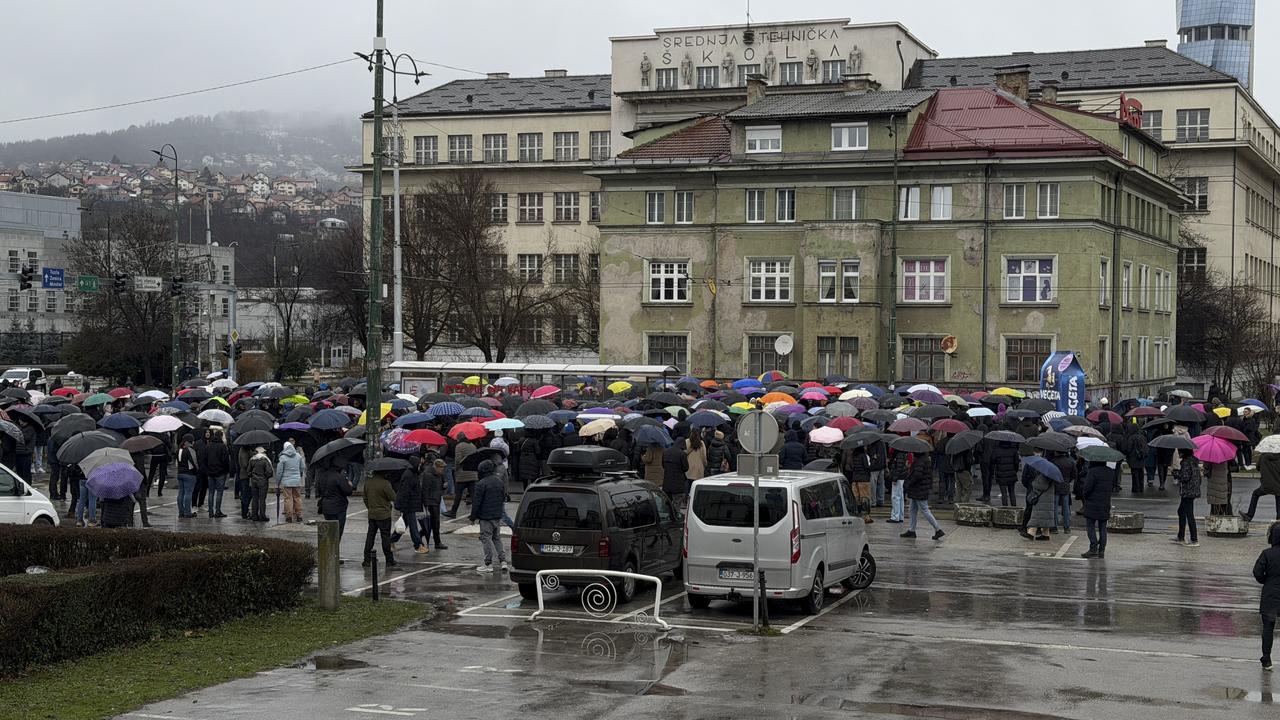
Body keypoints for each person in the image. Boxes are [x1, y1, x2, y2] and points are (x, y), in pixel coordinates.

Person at [470, 459, 508, 573]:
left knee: (486, 538)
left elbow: (476, 502)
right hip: (497, 515)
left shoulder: (481, 484)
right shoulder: (499, 481)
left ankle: (488, 563)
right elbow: (503, 497)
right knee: (497, 538)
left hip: (485, 517)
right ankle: (503, 561)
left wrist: (473, 517)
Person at [1253, 521, 1280, 670]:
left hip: (1270, 594)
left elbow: (1257, 572)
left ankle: (1267, 658)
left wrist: (1265, 580)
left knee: (1268, 626)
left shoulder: (1267, 554)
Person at [900, 450, 944, 541]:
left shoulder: (920, 461)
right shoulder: (924, 460)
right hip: (919, 489)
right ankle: (911, 530)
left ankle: (938, 529)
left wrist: (909, 483)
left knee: (924, 509)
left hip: (919, 489)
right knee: (912, 509)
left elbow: (917, 475)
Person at [361, 469, 398, 569]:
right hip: (384, 515)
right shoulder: (385, 483)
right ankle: (389, 560)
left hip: (372, 514)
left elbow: (365, 498)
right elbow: (393, 497)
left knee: (370, 536)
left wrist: (370, 507)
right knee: (385, 537)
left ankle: (366, 559)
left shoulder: (368, 482)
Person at [1080, 459, 1115, 558]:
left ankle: (1093, 548)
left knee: (1090, 525)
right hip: (1105, 502)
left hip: (1092, 502)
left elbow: (1087, 488)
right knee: (1103, 527)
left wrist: (1085, 496)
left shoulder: (1092, 472)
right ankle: (1102, 550)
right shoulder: (1110, 472)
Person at [396, 456, 427, 554]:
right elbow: (405, 492)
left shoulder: (413, 473)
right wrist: (402, 506)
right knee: (413, 527)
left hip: (410, 503)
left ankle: (391, 541)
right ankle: (417, 545)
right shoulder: (409, 475)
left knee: (404, 525)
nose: (420, 466)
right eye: (419, 464)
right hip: (409, 504)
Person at [316, 460, 354, 540]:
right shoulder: (339, 477)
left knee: (330, 530)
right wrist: (350, 484)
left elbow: (318, 490)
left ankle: (330, 548)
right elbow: (348, 491)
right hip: (338, 507)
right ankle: (335, 549)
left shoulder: (322, 476)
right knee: (338, 532)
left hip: (326, 507)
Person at [1173, 448, 1202, 546]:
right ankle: (1180, 535)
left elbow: (1185, 477)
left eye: (1180, 452)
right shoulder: (1194, 461)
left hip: (1187, 491)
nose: (1179, 454)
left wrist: (1176, 473)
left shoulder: (1185, 462)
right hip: (1193, 490)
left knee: (1189, 514)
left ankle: (1194, 539)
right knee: (1181, 511)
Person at [444, 438, 478, 519]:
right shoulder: (473, 446)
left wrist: (456, 469)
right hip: (473, 473)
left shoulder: (459, 446)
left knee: (458, 495)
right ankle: (475, 513)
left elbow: (458, 460)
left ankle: (453, 512)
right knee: (474, 496)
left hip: (462, 475)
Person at [1243, 451, 1280, 523]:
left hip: (1266, 485)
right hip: (1278, 485)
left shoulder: (1263, 456)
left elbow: (1258, 468)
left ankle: (1249, 515)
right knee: (1278, 500)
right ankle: (1278, 520)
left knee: (1255, 494)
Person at [202, 428, 231, 518]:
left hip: (210, 473)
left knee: (211, 492)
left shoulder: (208, 446)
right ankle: (217, 511)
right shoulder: (222, 447)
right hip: (220, 473)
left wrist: (207, 470)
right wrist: (226, 470)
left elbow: (204, 460)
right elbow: (225, 460)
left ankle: (211, 512)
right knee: (219, 492)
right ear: (221, 437)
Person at [419, 458, 447, 550]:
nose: (442, 470)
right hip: (431, 502)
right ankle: (437, 542)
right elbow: (425, 490)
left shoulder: (440, 475)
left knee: (434, 523)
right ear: (436, 467)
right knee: (434, 523)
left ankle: (421, 537)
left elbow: (441, 487)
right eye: (441, 468)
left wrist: (444, 487)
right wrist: (426, 503)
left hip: (436, 500)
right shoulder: (428, 475)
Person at [1023, 465, 1056, 541]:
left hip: (1042, 499)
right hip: (1048, 499)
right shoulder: (1051, 475)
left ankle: (1031, 533)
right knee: (1045, 517)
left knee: (1037, 516)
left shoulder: (1043, 476)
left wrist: (1034, 482)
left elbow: (1040, 486)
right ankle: (1045, 534)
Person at [276, 440, 306, 523]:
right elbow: (302, 467)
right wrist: (298, 476)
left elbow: (279, 471)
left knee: (288, 498)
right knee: (297, 498)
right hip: (297, 481)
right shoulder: (298, 456)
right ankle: (299, 515)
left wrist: (278, 482)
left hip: (286, 482)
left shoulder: (282, 457)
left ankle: (289, 516)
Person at [245, 446, 273, 523]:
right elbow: (269, 472)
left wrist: (253, 475)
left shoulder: (252, 460)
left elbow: (248, 472)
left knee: (255, 499)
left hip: (254, 482)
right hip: (263, 482)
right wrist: (265, 477)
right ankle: (262, 516)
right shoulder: (265, 460)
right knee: (262, 500)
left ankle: (254, 516)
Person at [990, 440, 1020, 507]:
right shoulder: (1014, 450)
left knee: (1004, 493)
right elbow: (1017, 462)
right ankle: (1014, 507)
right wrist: (1015, 470)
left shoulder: (997, 450)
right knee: (1012, 492)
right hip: (1011, 474)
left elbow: (992, 461)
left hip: (1001, 475)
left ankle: (1005, 508)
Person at [175, 433, 199, 518]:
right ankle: (187, 512)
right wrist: (197, 471)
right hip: (189, 474)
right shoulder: (190, 450)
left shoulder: (179, 450)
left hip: (180, 473)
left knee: (180, 493)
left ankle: (181, 512)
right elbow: (195, 462)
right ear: (189, 442)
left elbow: (176, 463)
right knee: (188, 494)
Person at [662, 440, 690, 507]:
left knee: (667, 504)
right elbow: (686, 468)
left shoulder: (666, 452)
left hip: (667, 482)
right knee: (677, 503)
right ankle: (675, 516)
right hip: (678, 483)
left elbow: (663, 465)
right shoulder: (682, 454)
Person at [1122, 423, 1148, 494]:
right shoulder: (1142, 437)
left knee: (1134, 474)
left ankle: (1136, 488)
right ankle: (1141, 487)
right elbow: (1146, 448)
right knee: (1141, 473)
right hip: (1141, 458)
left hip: (1133, 458)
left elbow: (1128, 449)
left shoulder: (1131, 437)